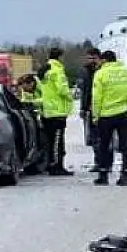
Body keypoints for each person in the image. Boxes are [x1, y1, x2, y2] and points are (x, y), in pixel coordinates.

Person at [90, 49, 127, 186]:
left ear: (104, 60)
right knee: (125, 146)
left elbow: (97, 97)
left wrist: (96, 115)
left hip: (106, 116)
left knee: (104, 145)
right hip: (124, 113)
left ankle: (103, 175)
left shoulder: (100, 74)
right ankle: (125, 175)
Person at [37, 47, 74, 176]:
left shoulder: (44, 70)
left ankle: (49, 164)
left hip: (47, 110)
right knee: (58, 142)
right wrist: (71, 97)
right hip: (57, 111)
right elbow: (62, 90)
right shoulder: (57, 70)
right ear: (60, 57)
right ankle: (57, 166)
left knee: (50, 141)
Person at [77, 48, 101, 147]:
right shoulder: (84, 71)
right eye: (89, 58)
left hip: (102, 105)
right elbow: (84, 91)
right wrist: (82, 107)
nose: (91, 61)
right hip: (90, 105)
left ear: (99, 58)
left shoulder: (103, 70)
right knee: (92, 132)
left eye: (94, 58)